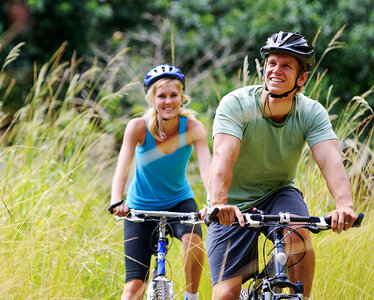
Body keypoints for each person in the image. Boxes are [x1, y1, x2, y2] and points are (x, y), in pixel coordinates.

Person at [204, 31, 358, 299]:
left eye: (286, 65)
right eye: (272, 63)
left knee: (298, 232)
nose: (276, 70)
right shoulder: (236, 104)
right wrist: (218, 202)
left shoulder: (311, 112)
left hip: (278, 193)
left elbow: (331, 160)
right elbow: (223, 156)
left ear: (301, 78)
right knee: (225, 295)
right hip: (231, 204)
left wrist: (345, 206)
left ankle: (300, 297)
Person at [110, 64, 211, 300]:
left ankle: (191, 297)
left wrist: (213, 202)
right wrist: (117, 201)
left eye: (173, 95)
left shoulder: (193, 128)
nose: (168, 101)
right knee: (134, 287)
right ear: (151, 99)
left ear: (182, 97)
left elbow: (208, 168)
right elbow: (122, 168)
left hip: (179, 202)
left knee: (194, 242)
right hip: (140, 207)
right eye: (161, 96)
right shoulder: (137, 127)